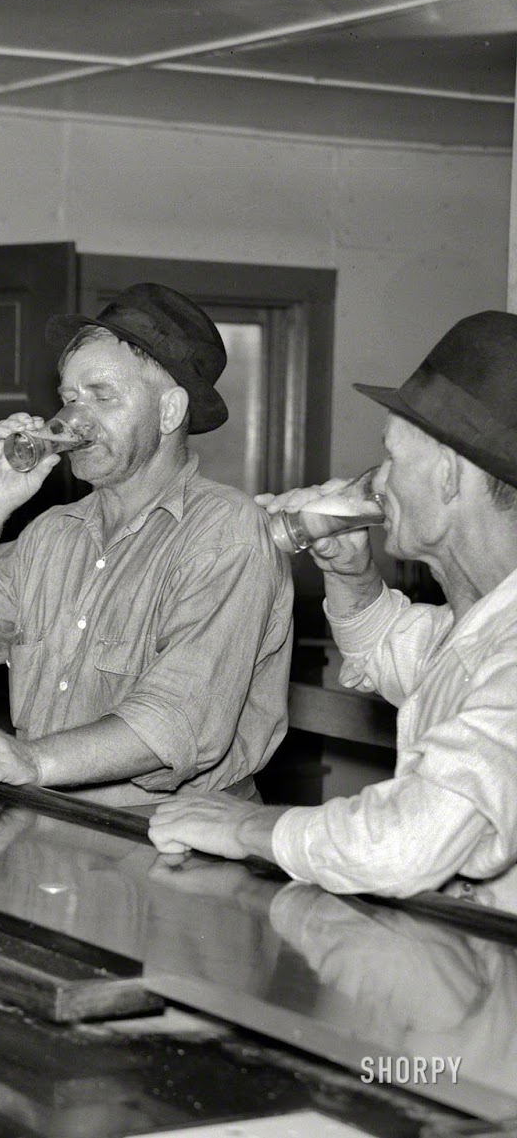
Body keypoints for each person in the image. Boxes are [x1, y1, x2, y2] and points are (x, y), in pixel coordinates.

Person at [149, 311, 517, 910]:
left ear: (449, 477)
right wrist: (352, 574)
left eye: (393, 459)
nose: (378, 482)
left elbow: (403, 842)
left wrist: (239, 828)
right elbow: (404, 654)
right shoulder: (485, 621)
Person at [0, 283, 293, 805]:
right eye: (69, 397)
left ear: (170, 412)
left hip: (171, 839)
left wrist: (34, 760)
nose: (74, 418)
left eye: (101, 395)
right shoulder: (52, 533)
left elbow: (176, 721)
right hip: (53, 820)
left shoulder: (226, 532)